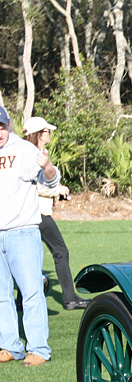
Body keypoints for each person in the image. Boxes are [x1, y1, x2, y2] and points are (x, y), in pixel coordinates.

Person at [0, 105, 61, 367]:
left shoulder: (24, 150)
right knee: (1, 295)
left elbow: (50, 180)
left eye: (1, 126)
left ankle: (38, 349)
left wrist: (47, 166)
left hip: (22, 232)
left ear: (8, 125)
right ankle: (10, 346)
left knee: (31, 293)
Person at [22, 116, 88, 311]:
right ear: (38, 134)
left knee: (31, 255)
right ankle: (70, 298)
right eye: (46, 131)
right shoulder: (33, 154)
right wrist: (56, 190)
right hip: (38, 213)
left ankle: (20, 300)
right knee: (60, 251)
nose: (49, 134)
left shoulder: (40, 153)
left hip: (36, 212)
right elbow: (31, 186)